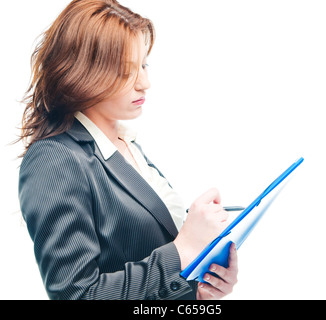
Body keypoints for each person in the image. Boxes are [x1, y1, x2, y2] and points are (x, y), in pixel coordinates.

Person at [18, 0, 238, 300]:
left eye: (144, 65)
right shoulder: (55, 159)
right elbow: (77, 295)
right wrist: (183, 250)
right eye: (126, 71)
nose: (144, 83)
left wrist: (197, 292)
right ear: (83, 72)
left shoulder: (124, 144)